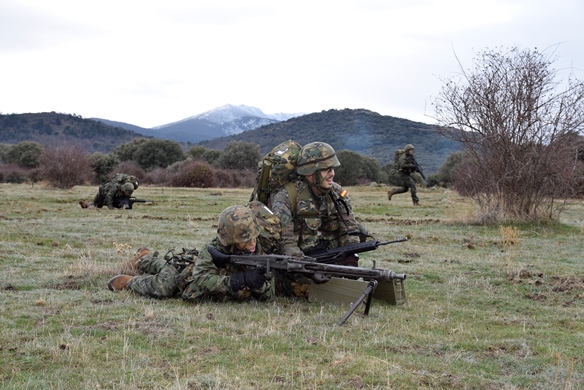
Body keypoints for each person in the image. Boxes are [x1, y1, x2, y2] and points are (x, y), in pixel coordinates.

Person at [107, 204, 311, 302]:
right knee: (164, 285)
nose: (251, 244)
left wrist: (258, 284)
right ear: (230, 240)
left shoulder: (259, 248)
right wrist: (238, 280)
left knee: (163, 265)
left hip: (205, 274)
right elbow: (202, 278)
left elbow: (268, 293)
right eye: (244, 241)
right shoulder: (212, 249)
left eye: (253, 238)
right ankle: (131, 278)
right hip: (185, 273)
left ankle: (146, 257)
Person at [268, 142, 363, 267]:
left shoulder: (337, 193)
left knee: (361, 230)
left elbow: (350, 228)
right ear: (310, 173)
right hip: (294, 262)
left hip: (328, 255)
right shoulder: (286, 196)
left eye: (333, 169)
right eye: (326, 170)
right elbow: (285, 240)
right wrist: (303, 265)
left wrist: (352, 255)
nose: (332, 173)